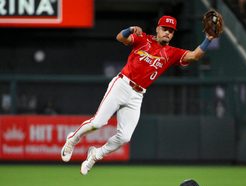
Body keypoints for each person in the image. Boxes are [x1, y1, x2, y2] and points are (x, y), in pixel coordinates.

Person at [61, 15, 217, 175]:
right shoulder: (143, 39)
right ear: (157, 28)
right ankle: (73, 139)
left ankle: (95, 155)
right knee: (98, 123)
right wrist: (130, 29)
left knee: (124, 137)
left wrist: (208, 39)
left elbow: (195, 56)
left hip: (137, 95)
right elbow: (120, 38)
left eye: (171, 31)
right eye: (165, 29)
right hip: (122, 84)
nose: (167, 33)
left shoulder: (172, 53)